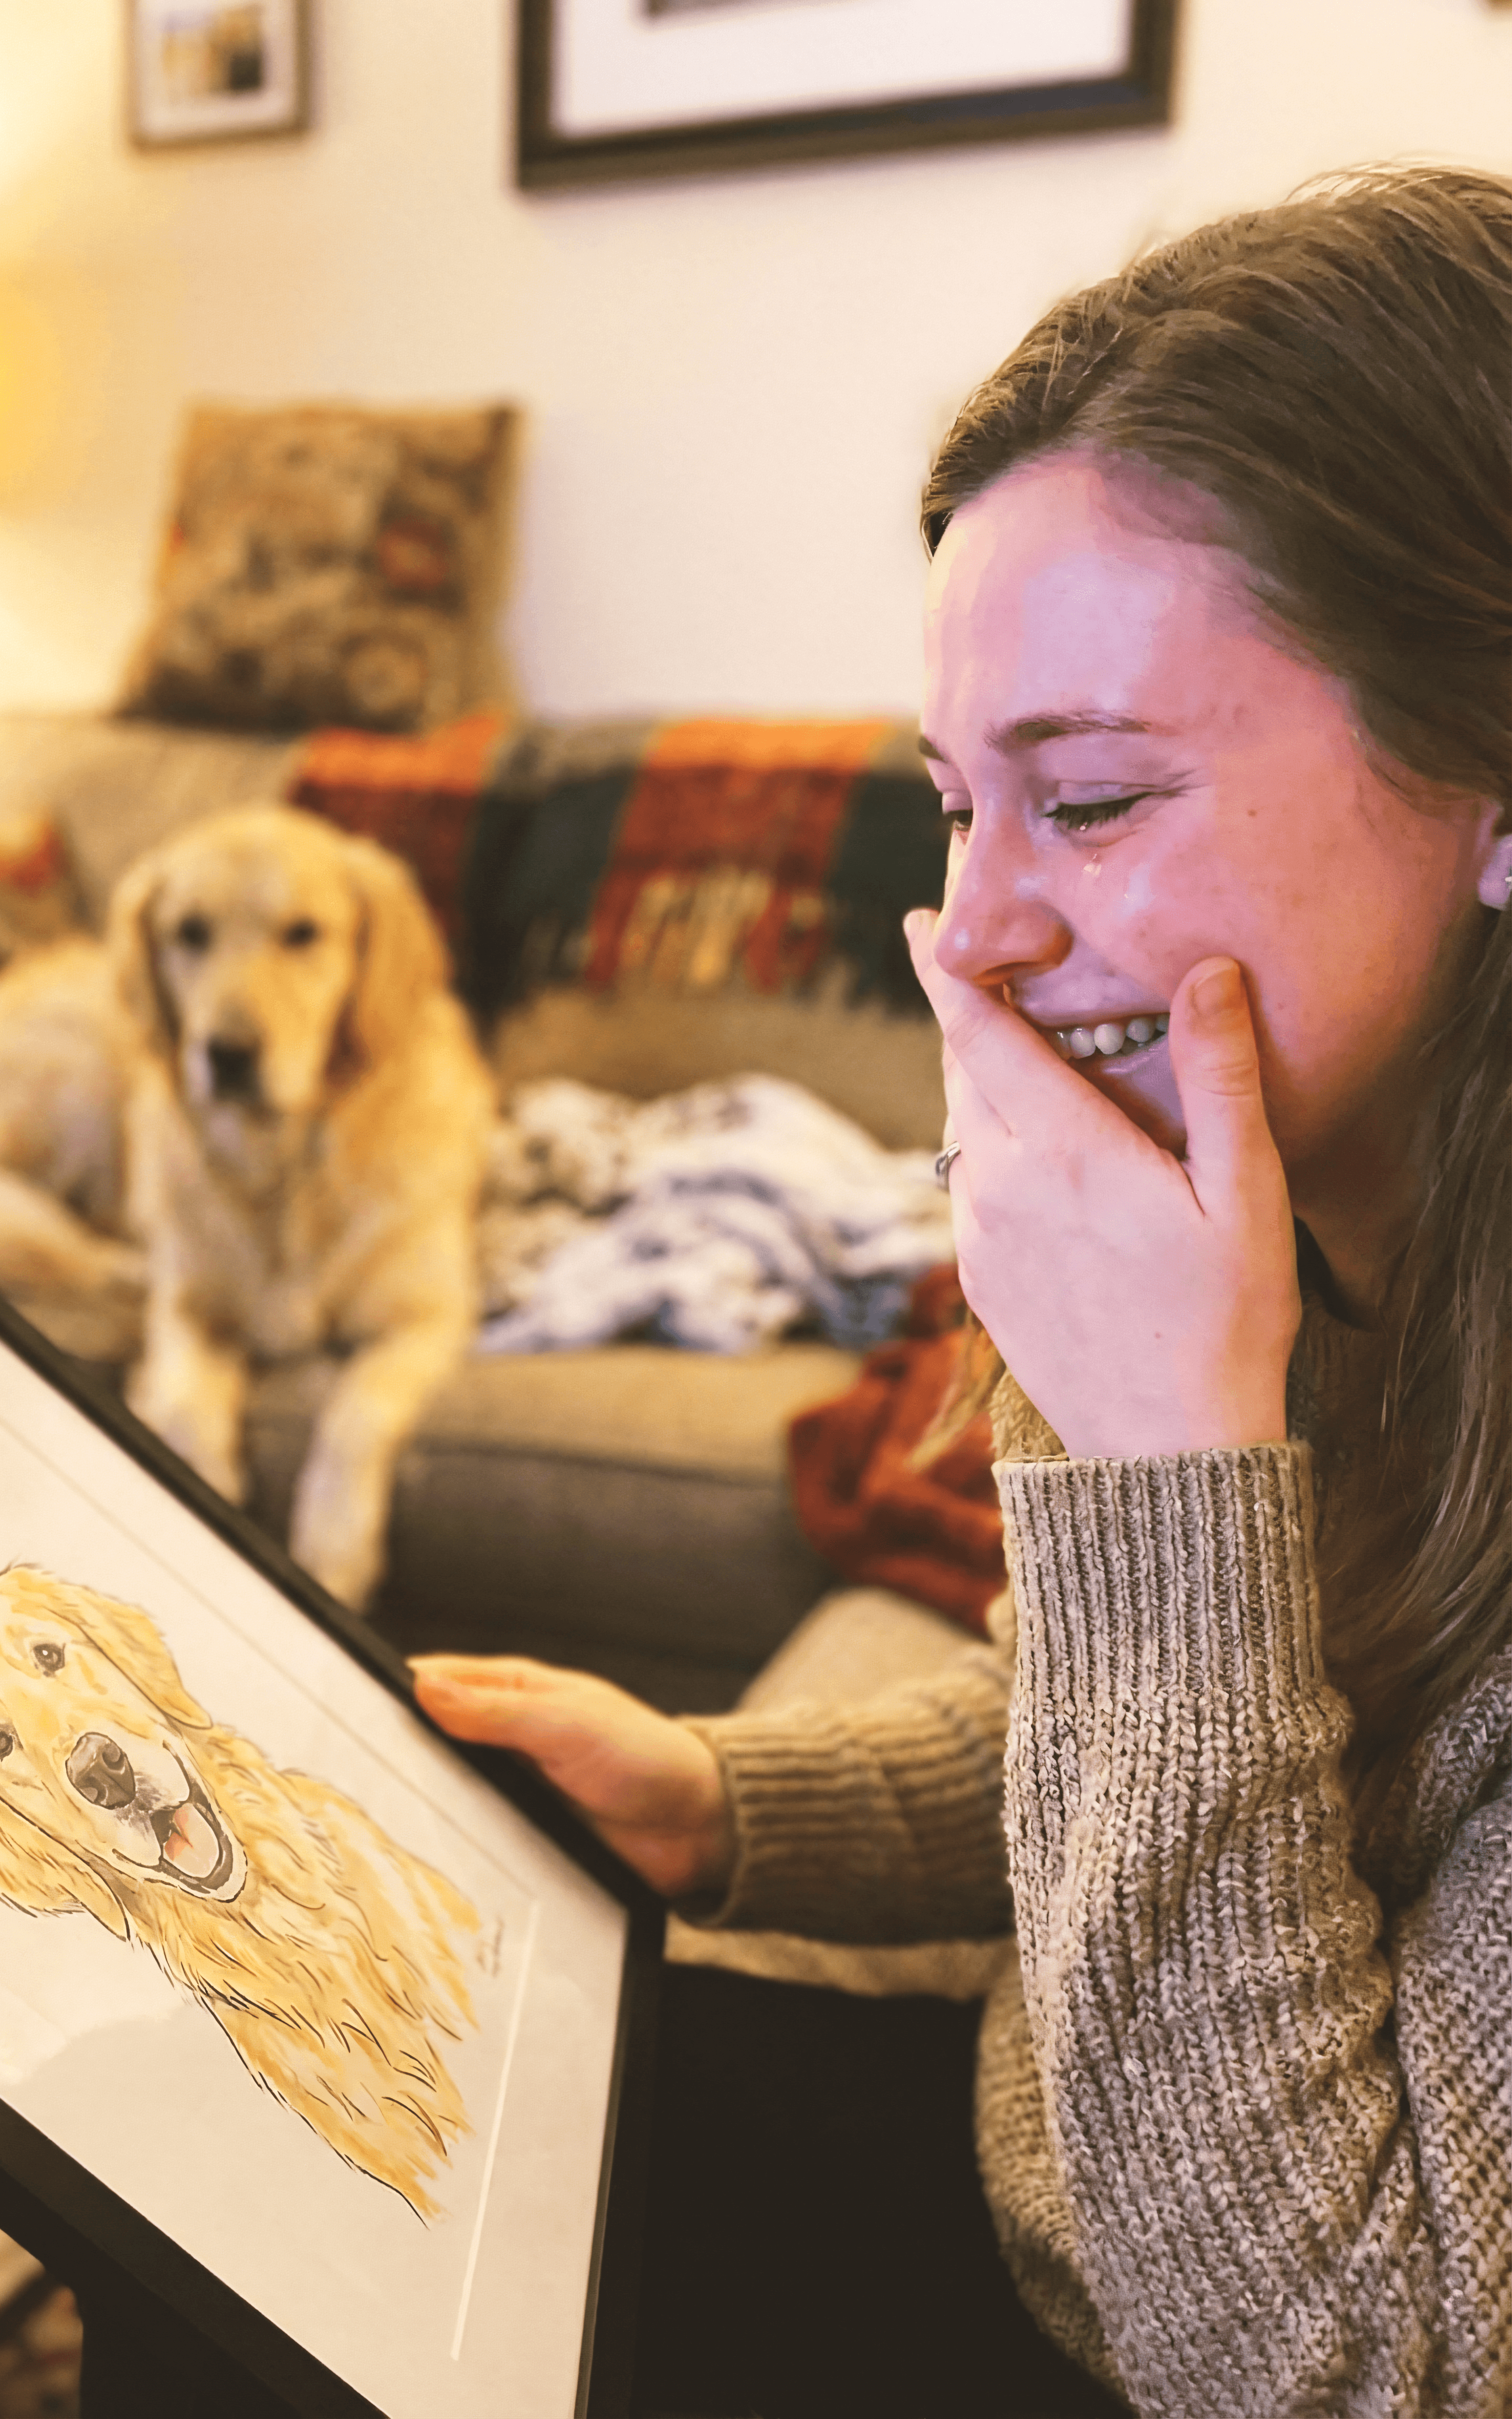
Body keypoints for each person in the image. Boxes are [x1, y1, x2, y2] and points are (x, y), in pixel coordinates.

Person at [414, 165, 1512, 2418]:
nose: (971, 935)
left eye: (1090, 803)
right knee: (331, 2146)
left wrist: (1166, 1471)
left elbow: (1347, 2368)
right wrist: (729, 1802)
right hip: (1066, 2226)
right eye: (951, 806)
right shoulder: (1289, 1212)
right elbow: (1166, 1739)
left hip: (1229, 2337)